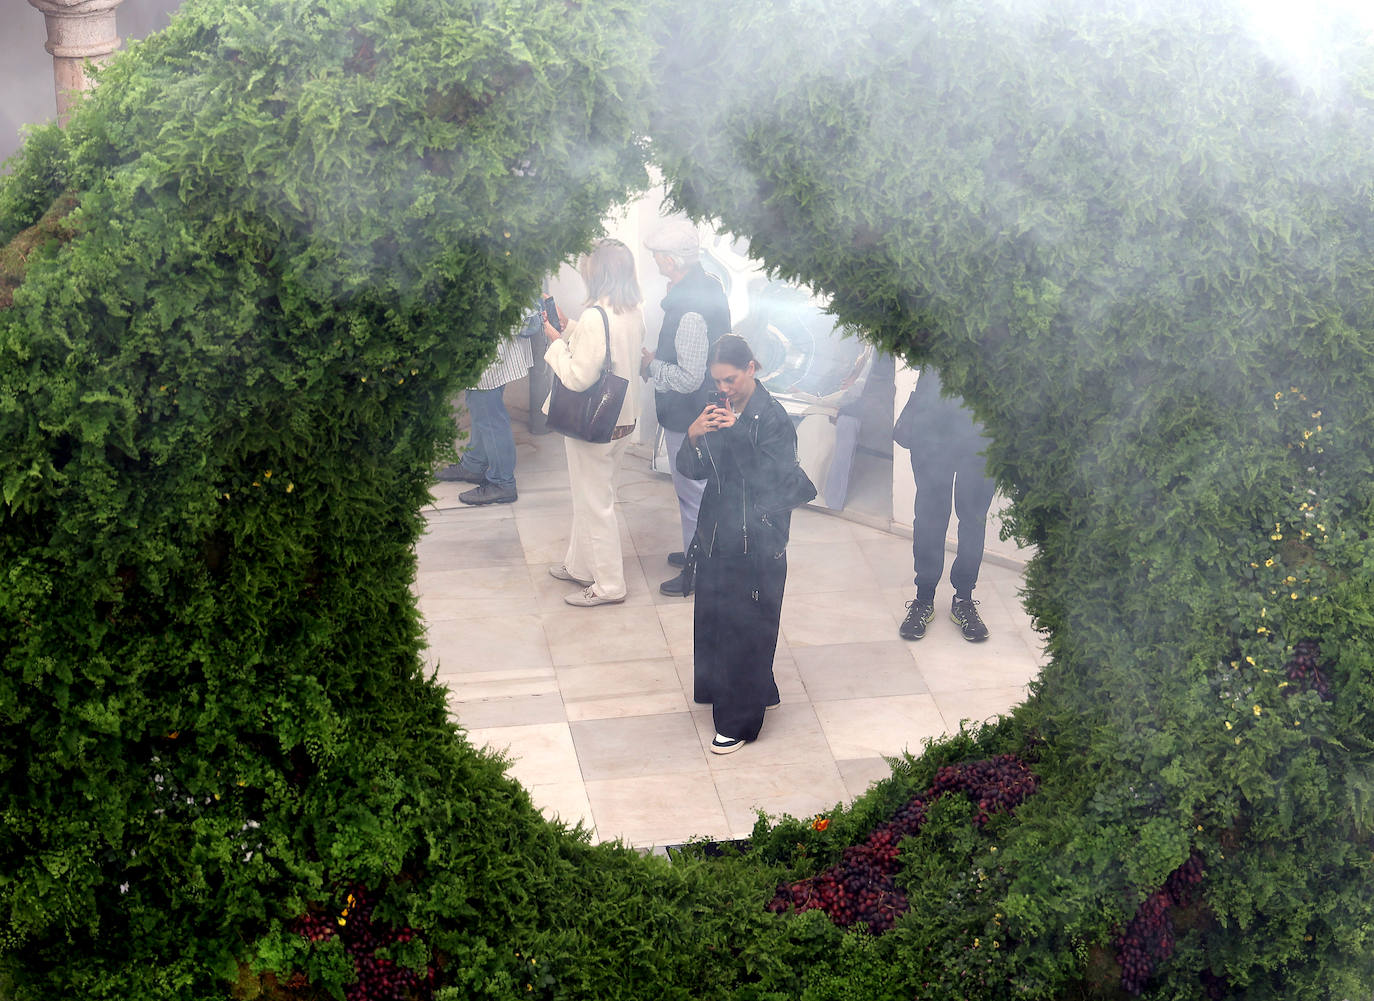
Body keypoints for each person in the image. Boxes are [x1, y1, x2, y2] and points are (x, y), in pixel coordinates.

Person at [677, 334, 809, 754]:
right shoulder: (720, 407)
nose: (723, 389)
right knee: (716, 622)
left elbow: (772, 484)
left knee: (745, 627)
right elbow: (694, 472)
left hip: (758, 543)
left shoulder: (774, 418)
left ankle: (738, 721)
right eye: (718, 381)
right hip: (718, 535)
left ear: (751, 368)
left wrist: (735, 435)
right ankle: (752, 688)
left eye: (730, 379)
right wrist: (694, 436)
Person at [542, 239, 646, 607]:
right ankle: (580, 566)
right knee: (592, 496)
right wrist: (571, 331)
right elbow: (611, 356)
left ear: (596, 274)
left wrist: (555, 343)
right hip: (622, 419)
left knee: (595, 504)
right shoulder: (633, 310)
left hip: (593, 427)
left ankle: (609, 585)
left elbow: (577, 377)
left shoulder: (594, 316)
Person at [640, 219, 731, 597]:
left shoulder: (690, 309)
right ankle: (698, 551)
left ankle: (699, 570)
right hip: (704, 412)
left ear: (672, 260)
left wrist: (650, 365)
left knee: (692, 493)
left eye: (658, 255)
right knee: (699, 491)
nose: (656, 260)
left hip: (691, 415)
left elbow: (689, 377)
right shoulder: (707, 284)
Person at [893, 369, 997, 642]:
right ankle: (923, 598)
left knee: (974, 518)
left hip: (983, 428)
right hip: (932, 426)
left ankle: (963, 599)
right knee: (929, 515)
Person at [436, 304, 540, 504]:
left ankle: (502, 483)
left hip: (491, 337)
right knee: (480, 404)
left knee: (487, 410)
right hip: (492, 334)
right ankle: (474, 464)